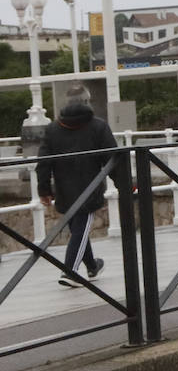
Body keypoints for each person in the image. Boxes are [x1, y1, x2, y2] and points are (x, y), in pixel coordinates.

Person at [36, 87, 121, 288]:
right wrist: (126, 184)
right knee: (80, 230)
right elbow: (113, 159)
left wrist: (44, 189)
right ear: (87, 101)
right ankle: (70, 271)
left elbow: (44, 162)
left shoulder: (53, 129)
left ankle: (92, 266)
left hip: (64, 190)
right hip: (89, 188)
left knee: (78, 230)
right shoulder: (98, 127)